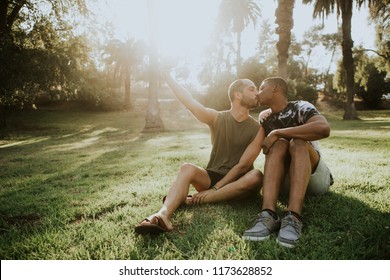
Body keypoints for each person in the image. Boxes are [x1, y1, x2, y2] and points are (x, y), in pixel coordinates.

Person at [135, 73, 264, 234]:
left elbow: (243, 166)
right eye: (252, 89)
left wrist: (215, 190)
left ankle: (192, 200)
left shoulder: (258, 129)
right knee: (186, 168)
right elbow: (189, 102)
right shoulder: (217, 117)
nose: (257, 93)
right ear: (238, 94)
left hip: (239, 182)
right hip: (212, 176)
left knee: (257, 176)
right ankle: (162, 215)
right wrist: (167, 77)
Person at [242, 77, 333, 248]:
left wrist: (277, 132)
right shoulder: (265, 117)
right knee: (280, 144)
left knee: (297, 142)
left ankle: (293, 216)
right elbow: (259, 149)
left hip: (314, 179)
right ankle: (268, 213)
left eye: (261, 88)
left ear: (275, 88)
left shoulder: (301, 106)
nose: (258, 93)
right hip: (285, 182)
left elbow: (323, 128)